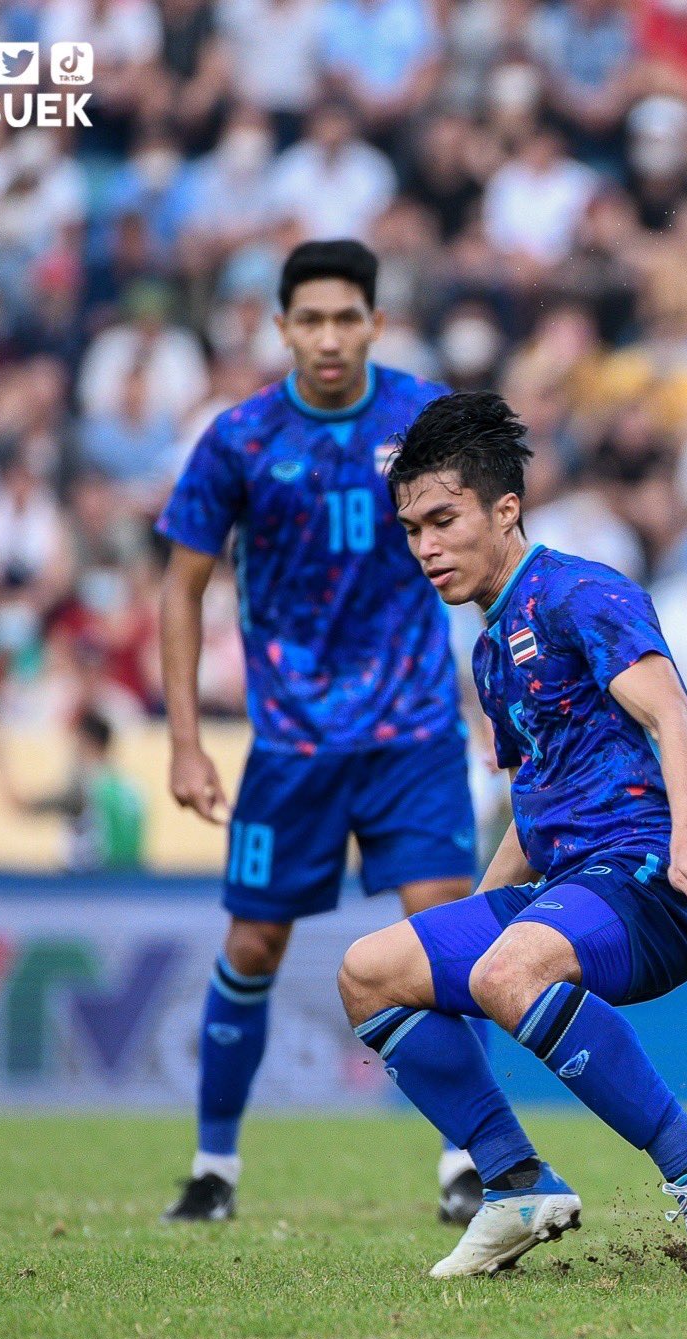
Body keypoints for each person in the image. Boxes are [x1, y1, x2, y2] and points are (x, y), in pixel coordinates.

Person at [335, 392, 687, 1288]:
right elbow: (533, 811)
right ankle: (517, 1183)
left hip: (653, 877)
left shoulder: (581, 592)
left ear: (506, 509)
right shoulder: (492, 652)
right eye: (411, 528)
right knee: (372, 971)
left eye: (443, 520)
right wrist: (461, 928)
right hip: (572, 881)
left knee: (504, 971)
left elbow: (675, 719)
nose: (425, 547)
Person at [155, 240, 484, 1225]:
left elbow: (487, 543)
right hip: (291, 744)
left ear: (377, 323)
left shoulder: (421, 418)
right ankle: (214, 1168)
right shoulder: (242, 438)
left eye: (348, 318)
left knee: (445, 935)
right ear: (281, 326)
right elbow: (180, 586)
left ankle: (465, 1162)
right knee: (252, 945)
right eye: (312, 320)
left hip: (414, 731)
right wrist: (182, 738)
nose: (330, 337)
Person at [0, 709, 148, 872]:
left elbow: (20, 804)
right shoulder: (133, 787)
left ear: (86, 742)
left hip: (93, 886)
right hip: (132, 884)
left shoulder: (83, 789)